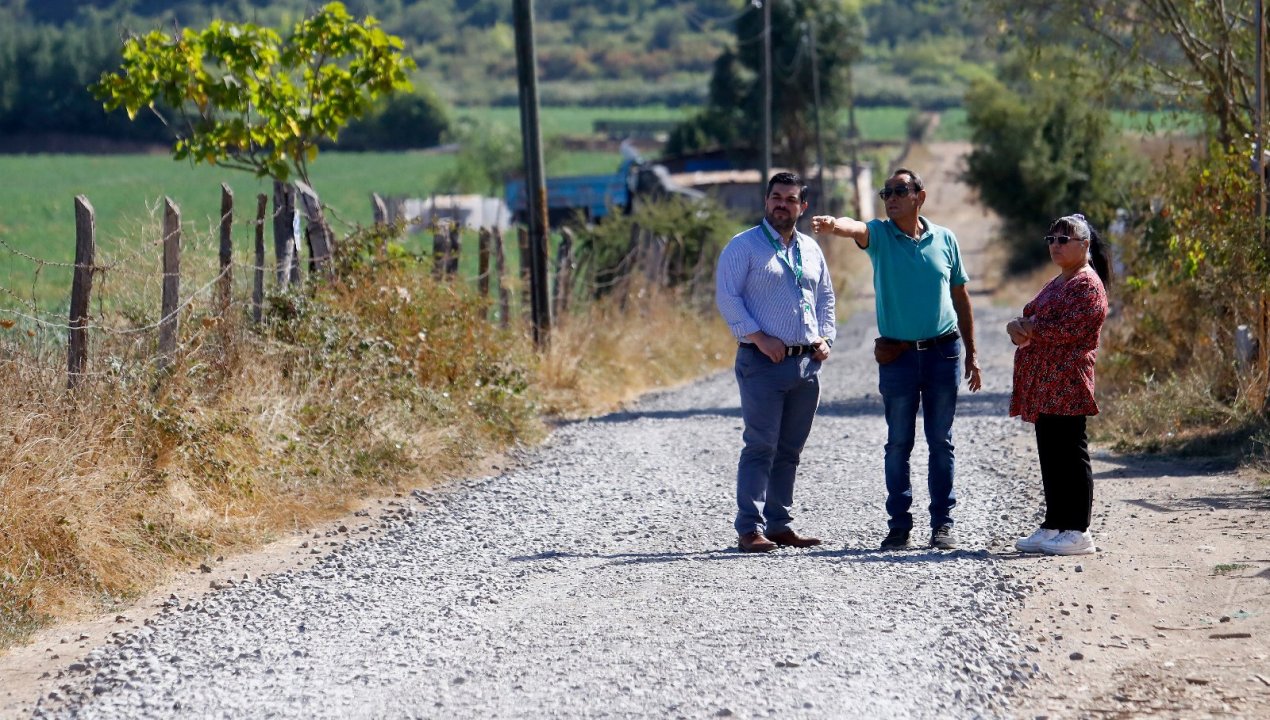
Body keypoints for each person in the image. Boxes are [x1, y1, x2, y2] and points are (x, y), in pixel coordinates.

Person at [810, 168, 982, 551]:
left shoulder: (945, 239)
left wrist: (972, 353)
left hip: (943, 353)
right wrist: (833, 224)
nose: (891, 198)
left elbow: (961, 297)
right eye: (886, 192)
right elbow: (855, 228)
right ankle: (900, 527)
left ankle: (943, 525)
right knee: (898, 443)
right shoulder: (881, 236)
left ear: (920, 196)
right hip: (898, 357)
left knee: (941, 442)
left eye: (900, 191)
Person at [716, 171, 837, 553]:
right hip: (761, 362)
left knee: (789, 451)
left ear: (803, 206)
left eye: (790, 198)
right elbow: (728, 298)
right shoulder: (744, 246)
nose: (781, 204)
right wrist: (758, 337)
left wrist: (826, 338)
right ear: (766, 201)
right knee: (760, 445)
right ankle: (749, 528)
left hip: (805, 366)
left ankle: (780, 524)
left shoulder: (811, 250)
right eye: (775, 197)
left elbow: (826, 299)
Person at [1007, 214, 1110, 556]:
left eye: (1064, 240)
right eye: (1051, 239)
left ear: (1085, 245)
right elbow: (1034, 316)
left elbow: (1071, 329)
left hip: (1068, 381)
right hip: (1046, 384)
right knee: (1051, 454)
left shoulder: (1087, 284)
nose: (1056, 245)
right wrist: (1017, 327)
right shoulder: (1058, 281)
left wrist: (1030, 328)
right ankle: (1054, 525)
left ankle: (1078, 530)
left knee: (1070, 455)